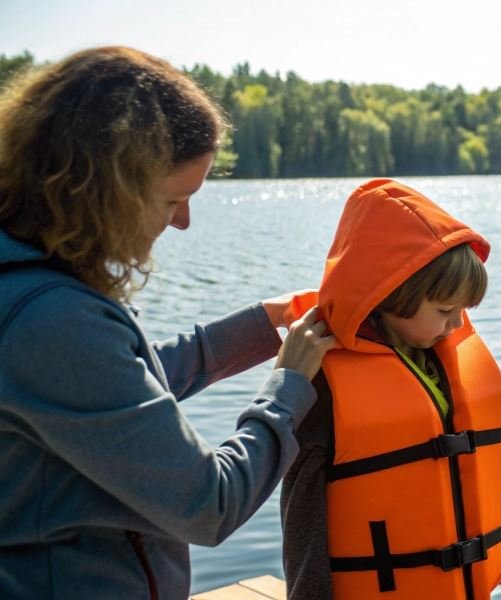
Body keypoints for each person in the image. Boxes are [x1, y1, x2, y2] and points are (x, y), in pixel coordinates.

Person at [0, 46, 336, 599]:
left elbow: (114, 385)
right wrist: (288, 387)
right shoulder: (52, 321)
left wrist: (260, 325)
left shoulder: (28, 286)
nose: (182, 222)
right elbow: (209, 504)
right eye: (173, 199)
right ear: (104, 188)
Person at [280, 179, 501, 600]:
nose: (456, 325)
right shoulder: (323, 379)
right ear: (392, 292)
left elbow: (488, 480)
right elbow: (302, 520)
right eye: (444, 310)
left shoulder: (442, 355)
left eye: (462, 311)